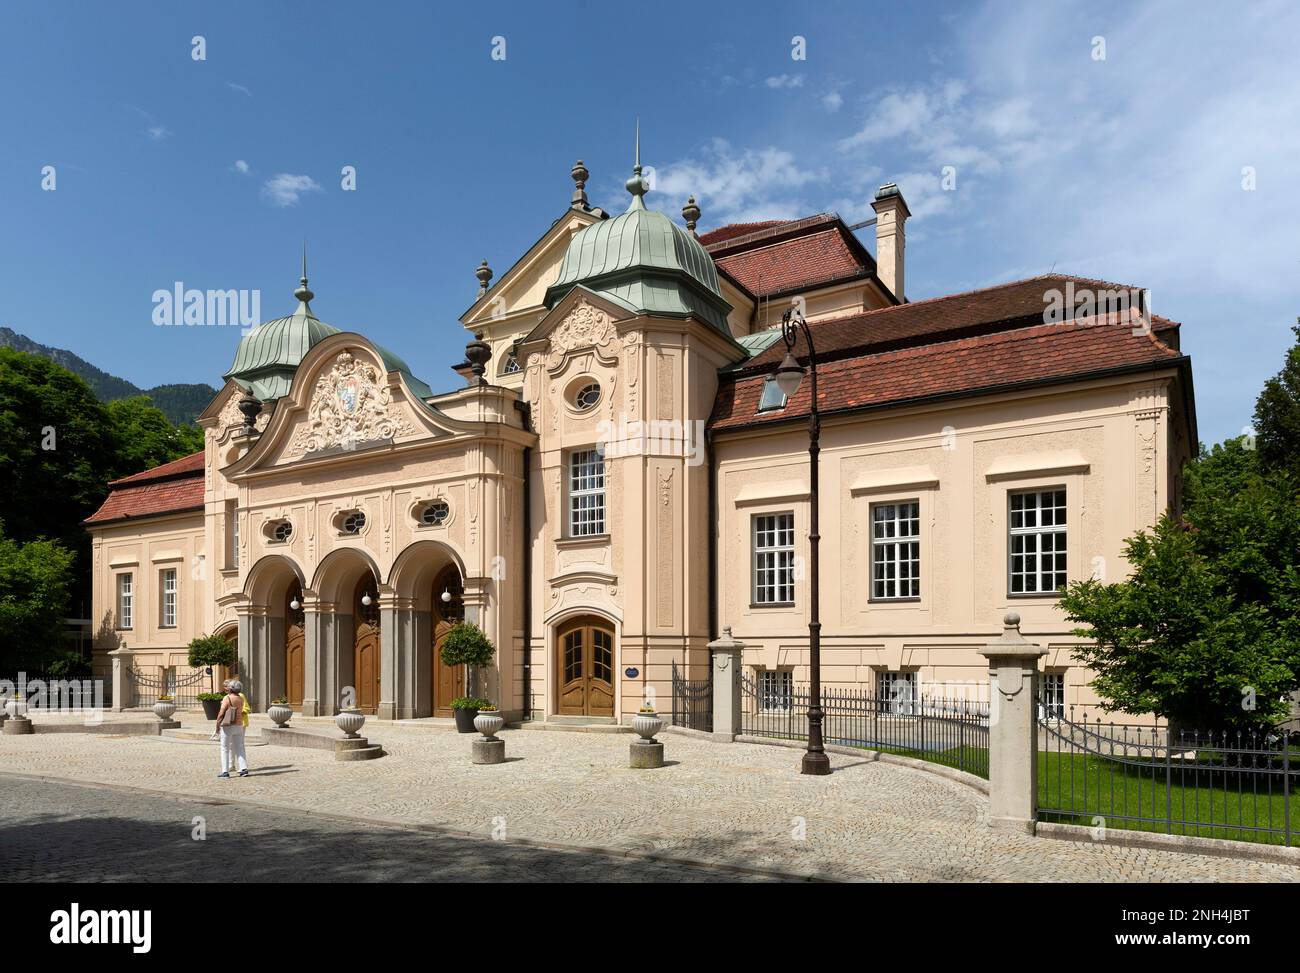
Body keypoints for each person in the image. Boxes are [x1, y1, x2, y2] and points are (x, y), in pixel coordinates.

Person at [215, 680, 249, 778]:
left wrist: (217, 725)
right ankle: (244, 769)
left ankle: (225, 772)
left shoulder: (227, 698)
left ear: (230, 688)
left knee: (225, 748)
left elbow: (221, 713)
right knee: (240, 747)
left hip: (228, 725)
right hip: (239, 725)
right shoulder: (240, 698)